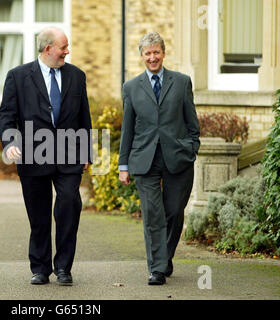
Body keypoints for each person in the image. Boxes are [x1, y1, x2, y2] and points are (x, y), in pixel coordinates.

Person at [0, 27, 92, 286]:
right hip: (33, 155)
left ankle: (63, 267)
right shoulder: (17, 76)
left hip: (69, 154)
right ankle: (40, 268)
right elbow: (6, 115)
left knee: (69, 205)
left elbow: (84, 115)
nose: (67, 51)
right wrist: (9, 142)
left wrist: (87, 152)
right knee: (38, 214)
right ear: (48, 49)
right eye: (63, 47)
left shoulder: (76, 76)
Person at [118, 32, 200, 285]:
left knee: (174, 213)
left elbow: (192, 124)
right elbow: (128, 128)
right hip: (145, 159)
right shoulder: (131, 87)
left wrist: (190, 148)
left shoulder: (182, 82)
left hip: (177, 158)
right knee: (153, 213)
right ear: (141, 56)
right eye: (147, 53)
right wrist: (123, 165)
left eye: (156, 52)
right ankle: (157, 268)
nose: (152, 57)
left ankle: (163, 257)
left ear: (163, 53)